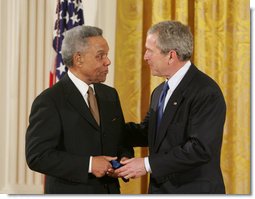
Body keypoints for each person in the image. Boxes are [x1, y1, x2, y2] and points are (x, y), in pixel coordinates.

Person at [115, 20, 226, 194]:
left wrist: (146, 164)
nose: (145, 56)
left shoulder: (206, 91)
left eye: (150, 51)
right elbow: (149, 132)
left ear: (171, 56)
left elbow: (199, 149)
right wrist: (108, 127)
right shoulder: (159, 92)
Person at [25, 25, 134, 194]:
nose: (108, 61)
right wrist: (89, 164)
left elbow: (120, 140)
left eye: (107, 55)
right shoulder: (50, 100)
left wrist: (124, 159)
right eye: (101, 56)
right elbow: (38, 157)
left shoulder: (110, 95)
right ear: (78, 59)